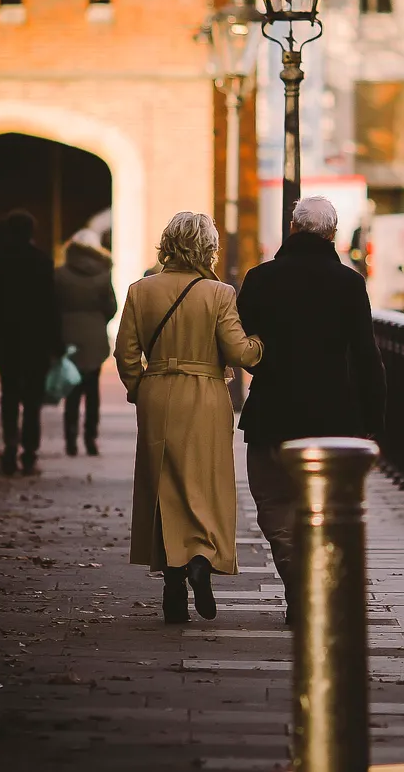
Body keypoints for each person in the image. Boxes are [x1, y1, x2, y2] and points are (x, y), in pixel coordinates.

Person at [237, 196, 386, 624]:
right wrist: (373, 418)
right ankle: (312, 586)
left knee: (273, 504)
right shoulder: (349, 283)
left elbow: (241, 341)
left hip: (273, 413)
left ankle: (298, 583)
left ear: (292, 228)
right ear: (333, 234)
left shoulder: (260, 279)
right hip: (332, 419)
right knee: (323, 509)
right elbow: (365, 354)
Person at [114, 213, 263, 624]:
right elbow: (239, 352)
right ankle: (201, 558)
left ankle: (172, 583)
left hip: (158, 391)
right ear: (207, 248)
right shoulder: (219, 293)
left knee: (163, 484)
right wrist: (261, 344)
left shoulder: (140, 290)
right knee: (205, 484)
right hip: (206, 395)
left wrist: (139, 389)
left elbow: (125, 354)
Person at [0, 210, 63, 476]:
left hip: (6, 339)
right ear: (31, 232)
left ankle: (10, 447)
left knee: (9, 395)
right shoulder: (42, 262)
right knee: (33, 400)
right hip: (36, 341)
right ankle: (29, 453)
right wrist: (57, 343)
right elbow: (51, 306)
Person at [55, 229, 118, 457]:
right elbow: (111, 306)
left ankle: (70, 439)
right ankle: (91, 438)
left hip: (68, 335)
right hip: (94, 337)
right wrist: (98, 321)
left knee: (71, 388)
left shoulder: (60, 274)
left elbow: (53, 306)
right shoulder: (102, 274)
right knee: (92, 391)